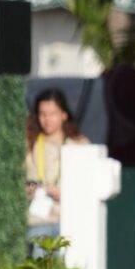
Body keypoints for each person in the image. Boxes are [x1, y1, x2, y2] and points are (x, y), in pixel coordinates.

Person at [25, 88, 89, 243]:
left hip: (71, 220)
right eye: (43, 114)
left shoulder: (80, 145)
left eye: (52, 114)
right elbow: (23, 183)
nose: (47, 119)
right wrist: (41, 189)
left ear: (64, 114)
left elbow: (88, 184)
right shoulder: (30, 144)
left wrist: (66, 193)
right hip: (38, 222)